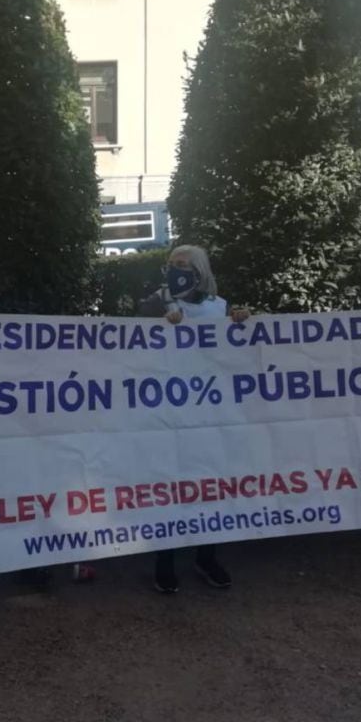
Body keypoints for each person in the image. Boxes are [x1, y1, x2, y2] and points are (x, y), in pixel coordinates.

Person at [139, 245, 250, 594]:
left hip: (210, 414)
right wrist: (158, 323)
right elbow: (131, 343)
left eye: (183, 266)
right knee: (168, 485)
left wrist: (241, 323)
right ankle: (165, 562)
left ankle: (206, 556)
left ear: (200, 271)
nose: (175, 271)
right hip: (169, 412)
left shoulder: (219, 307)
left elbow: (236, 355)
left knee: (210, 484)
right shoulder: (157, 302)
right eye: (171, 265)